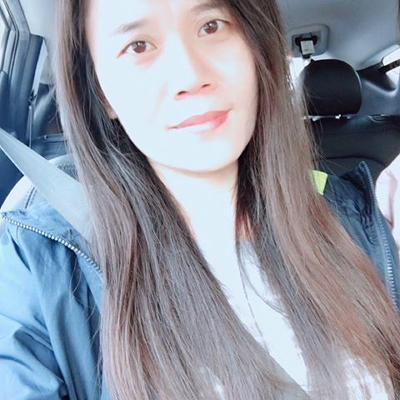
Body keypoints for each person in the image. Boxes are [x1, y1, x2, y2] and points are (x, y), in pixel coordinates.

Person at [0, 0, 399, 399]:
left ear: (256, 49)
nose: (190, 75)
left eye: (212, 26)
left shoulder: (367, 220)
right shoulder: (34, 266)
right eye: (138, 46)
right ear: (102, 94)